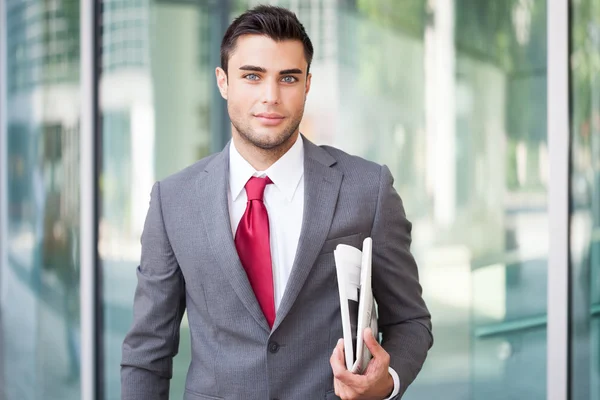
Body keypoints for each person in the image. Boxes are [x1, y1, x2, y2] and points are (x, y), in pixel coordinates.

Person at [121, 5, 432, 400]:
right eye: (252, 76)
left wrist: (384, 384)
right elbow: (147, 352)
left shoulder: (366, 189)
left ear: (306, 84)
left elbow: (410, 321)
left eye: (288, 78)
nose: (271, 96)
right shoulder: (173, 202)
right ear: (223, 81)